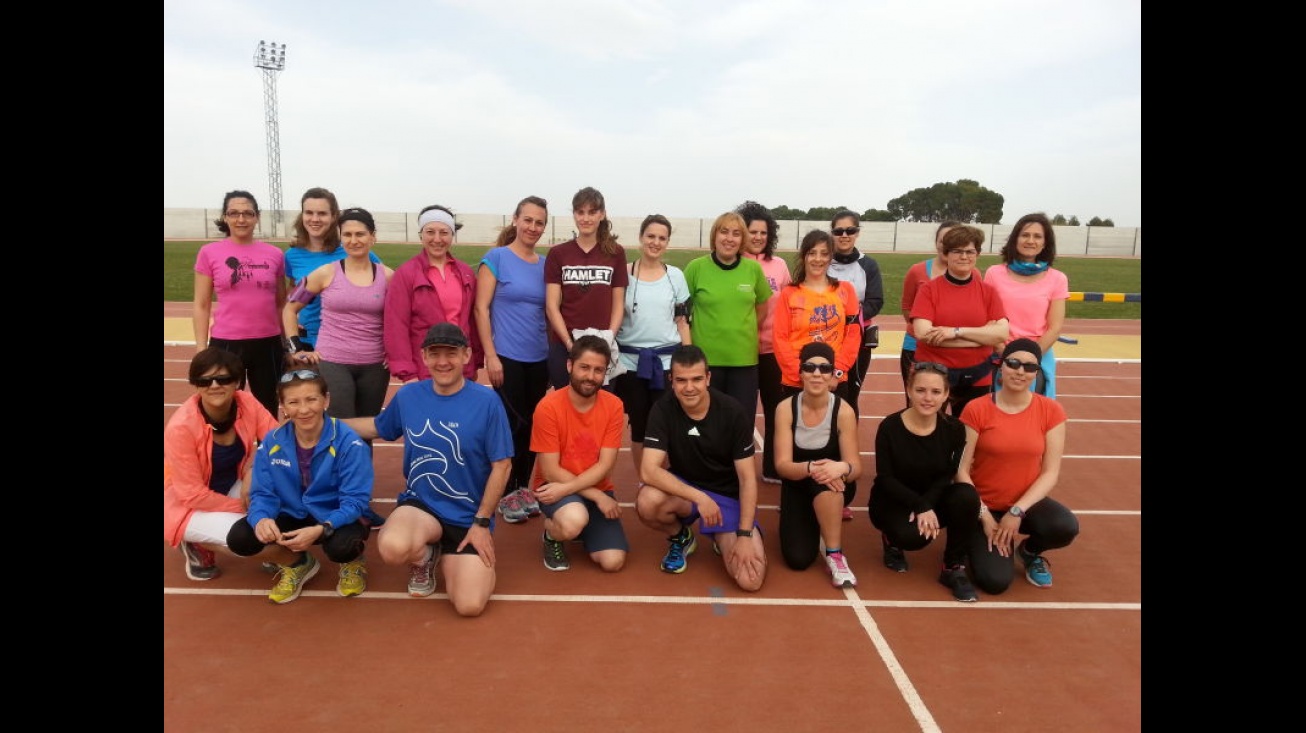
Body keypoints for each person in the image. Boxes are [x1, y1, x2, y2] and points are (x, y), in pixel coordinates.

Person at [345, 323, 513, 617]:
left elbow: (502, 464)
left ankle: (453, 557)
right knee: (392, 547)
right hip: (422, 508)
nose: (443, 362)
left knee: (469, 606)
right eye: (435, 354)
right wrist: (324, 425)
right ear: (423, 357)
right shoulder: (410, 396)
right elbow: (377, 427)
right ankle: (425, 555)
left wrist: (482, 523)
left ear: (466, 356)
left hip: (468, 516)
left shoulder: (487, 402)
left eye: (451, 353)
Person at [227, 370, 375, 604]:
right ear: (283, 406)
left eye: (311, 399)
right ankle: (297, 564)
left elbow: (355, 501)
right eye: (293, 402)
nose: (304, 410)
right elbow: (262, 493)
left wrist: (323, 528)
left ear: (325, 400)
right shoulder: (272, 441)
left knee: (341, 547)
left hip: (335, 517)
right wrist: (261, 519)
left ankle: (353, 562)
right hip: (292, 513)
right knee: (240, 538)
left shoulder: (351, 444)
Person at [635, 345, 767, 591]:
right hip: (687, 491)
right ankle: (681, 537)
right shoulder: (663, 410)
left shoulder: (732, 412)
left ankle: (721, 534)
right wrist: (700, 498)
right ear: (671, 380)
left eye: (696, 379)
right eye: (681, 380)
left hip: (727, 498)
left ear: (708, 378)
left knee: (751, 580)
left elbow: (748, 480)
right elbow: (648, 471)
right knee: (647, 501)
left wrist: (745, 535)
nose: (689, 387)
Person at [959, 338, 1079, 594]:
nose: (1020, 371)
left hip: (1024, 505)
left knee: (1064, 526)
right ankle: (974, 544)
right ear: (1001, 366)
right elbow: (960, 470)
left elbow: (1050, 473)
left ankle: (1029, 552)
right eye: (1013, 363)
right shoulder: (976, 409)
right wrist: (984, 516)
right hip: (984, 506)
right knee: (994, 582)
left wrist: (1017, 512)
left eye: (1029, 367)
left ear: (1037, 372)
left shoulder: (1051, 411)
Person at [164, 348, 280, 581]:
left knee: (284, 497)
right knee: (251, 534)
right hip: (187, 503)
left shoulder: (245, 402)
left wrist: (252, 471)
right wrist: (249, 508)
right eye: (205, 380)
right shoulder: (181, 428)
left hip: (231, 485)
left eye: (224, 378)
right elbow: (191, 495)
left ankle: (271, 546)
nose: (215, 385)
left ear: (237, 381)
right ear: (195, 385)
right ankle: (195, 541)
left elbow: (277, 441)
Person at [870, 360, 981, 602]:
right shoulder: (890, 427)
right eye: (920, 390)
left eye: (935, 392)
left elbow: (947, 475)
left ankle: (953, 566)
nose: (927, 398)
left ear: (946, 395)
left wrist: (928, 504)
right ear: (909, 391)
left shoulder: (954, 429)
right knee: (912, 538)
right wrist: (919, 505)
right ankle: (891, 540)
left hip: (932, 497)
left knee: (966, 496)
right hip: (894, 499)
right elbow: (885, 477)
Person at [773, 229, 862, 520]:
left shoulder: (845, 290)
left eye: (824, 253)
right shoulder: (790, 293)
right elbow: (781, 339)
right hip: (797, 380)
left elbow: (853, 333)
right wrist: (804, 376)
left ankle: (835, 496)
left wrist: (835, 372)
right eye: (813, 253)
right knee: (798, 443)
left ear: (831, 257)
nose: (818, 259)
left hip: (835, 380)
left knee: (835, 443)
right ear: (804, 255)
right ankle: (798, 499)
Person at [475, 195, 550, 525]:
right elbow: (481, 308)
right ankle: (503, 490)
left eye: (539, 222)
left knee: (532, 426)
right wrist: (491, 355)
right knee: (509, 424)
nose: (533, 227)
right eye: (528, 220)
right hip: (506, 355)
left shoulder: (546, 264)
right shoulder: (497, 258)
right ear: (515, 220)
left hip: (540, 357)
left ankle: (522, 488)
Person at [282, 207, 394, 419]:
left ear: (373, 237)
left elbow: (401, 319)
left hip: (375, 365)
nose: (354, 240)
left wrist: (395, 350)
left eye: (360, 234)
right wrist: (295, 347)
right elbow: (290, 307)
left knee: (366, 428)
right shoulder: (326, 273)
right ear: (341, 238)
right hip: (333, 360)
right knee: (339, 424)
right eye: (347, 235)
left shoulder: (388, 277)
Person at [530, 336, 630, 572]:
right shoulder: (548, 407)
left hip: (589, 486)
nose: (590, 376)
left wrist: (589, 493)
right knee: (574, 519)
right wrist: (596, 496)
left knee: (613, 562)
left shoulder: (614, 405)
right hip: (554, 485)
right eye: (584, 367)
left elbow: (605, 465)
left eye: (598, 370)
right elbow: (550, 470)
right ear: (569, 366)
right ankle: (553, 533)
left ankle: (580, 525)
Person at [772, 342, 862, 588]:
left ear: (833, 374)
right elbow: (782, 465)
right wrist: (812, 467)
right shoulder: (785, 409)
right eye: (810, 367)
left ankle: (835, 554)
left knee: (830, 483)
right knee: (798, 559)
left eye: (824, 368)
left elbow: (856, 467)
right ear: (800, 372)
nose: (817, 374)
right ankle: (811, 517)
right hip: (798, 481)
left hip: (833, 484)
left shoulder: (843, 411)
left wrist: (841, 468)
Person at [192, 190, 287, 415]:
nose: (241, 219)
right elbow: (201, 304)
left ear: (257, 217)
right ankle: (228, 451)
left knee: (268, 409)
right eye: (234, 213)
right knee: (223, 408)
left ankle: (268, 450)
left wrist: (285, 343)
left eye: (248, 213)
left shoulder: (274, 254)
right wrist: (200, 349)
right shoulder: (209, 253)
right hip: (226, 344)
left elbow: (281, 303)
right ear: (225, 217)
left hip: (268, 344)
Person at [612, 214, 691, 482]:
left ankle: (667, 480)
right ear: (641, 238)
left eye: (662, 238)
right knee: (640, 427)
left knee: (668, 425)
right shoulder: (624, 273)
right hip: (631, 364)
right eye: (651, 236)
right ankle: (645, 481)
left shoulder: (676, 277)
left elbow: (682, 321)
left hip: (668, 365)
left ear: (667, 243)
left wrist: (689, 360)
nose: (655, 242)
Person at [910, 225, 1010, 418]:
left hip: (977, 375)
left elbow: (1001, 334)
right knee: (928, 427)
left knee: (970, 429)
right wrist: (981, 336)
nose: (964, 257)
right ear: (947, 254)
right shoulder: (928, 290)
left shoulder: (988, 292)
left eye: (970, 251)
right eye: (957, 251)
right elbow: (923, 333)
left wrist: (955, 331)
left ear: (977, 254)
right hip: (933, 374)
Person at [682, 211, 773, 419]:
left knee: (741, 422)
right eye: (724, 232)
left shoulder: (753, 269)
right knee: (707, 422)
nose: (729, 239)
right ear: (715, 235)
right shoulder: (695, 268)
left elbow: (762, 307)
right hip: (706, 362)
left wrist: (742, 330)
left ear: (742, 240)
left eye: (736, 234)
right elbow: (683, 313)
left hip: (744, 362)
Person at [384, 204, 483, 385]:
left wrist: (474, 362)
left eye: (444, 232)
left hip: (460, 365)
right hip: (424, 369)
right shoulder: (406, 274)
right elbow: (396, 325)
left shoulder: (466, 273)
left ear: (452, 235)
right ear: (421, 234)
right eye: (430, 232)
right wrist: (408, 373)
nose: (437, 239)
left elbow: (472, 322)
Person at [543, 186, 628, 390]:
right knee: (566, 408)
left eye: (592, 212)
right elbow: (552, 306)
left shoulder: (615, 253)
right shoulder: (558, 253)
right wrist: (570, 345)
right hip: (565, 344)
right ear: (574, 215)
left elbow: (618, 304)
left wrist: (608, 338)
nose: (586, 218)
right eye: (580, 212)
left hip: (601, 344)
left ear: (602, 214)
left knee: (600, 408)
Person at [283, 187, 382, 349]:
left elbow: (384, 291)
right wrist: (294, 319)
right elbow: (293, 288)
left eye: (322, 213)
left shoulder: (354, 251)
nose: (315, 219)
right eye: (309, 213)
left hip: (349, 342)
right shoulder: (292, 256)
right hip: (308, 341)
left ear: (334, 216)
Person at [985, 213, 1069, 398]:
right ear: (1015, 239)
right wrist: (1007, 356)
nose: (1030, 240)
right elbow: (988, 318)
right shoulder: (994, 273)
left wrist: (1029, 359)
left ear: (1045, 243)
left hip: (1038, 356)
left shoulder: (1057, 279)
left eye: (1037, 236)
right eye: (1025, 235)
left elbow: (1054, 328)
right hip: (999, 354)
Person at [737, 201, 792, 486]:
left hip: (773, 351)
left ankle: (773, 467)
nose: (758, 237)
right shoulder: (735, 263)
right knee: (741, 413)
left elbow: (790, 304)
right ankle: (737, 467)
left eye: (763, 232)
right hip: (742, 352)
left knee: (777, 411)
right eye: (752, 231)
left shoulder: (780, 266)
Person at [826, 210, 884, 416]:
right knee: (824, 394)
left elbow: (875, 301)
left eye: (850, 230)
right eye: (838, 231)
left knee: (850, 396)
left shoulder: (868, 265)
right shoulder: (822, 261)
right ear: (832, 233)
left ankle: (847, 445)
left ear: (857, 232)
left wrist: (849, 317)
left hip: (857, 339)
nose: (844, 235)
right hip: (826, 337)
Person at [900, 220, 961, 405]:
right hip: (916, 347)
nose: (947, 245)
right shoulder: (917, 271)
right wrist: (926, 330)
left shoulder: (971, 273)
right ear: (936, 242)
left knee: (953, 402)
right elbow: (906, 308)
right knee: (919, 404)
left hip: (955, 347)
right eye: (943, 240)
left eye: (953, 240)